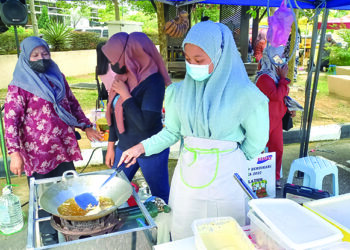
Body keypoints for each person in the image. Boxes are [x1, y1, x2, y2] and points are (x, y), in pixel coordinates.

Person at [117, 21, 269, 240]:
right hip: (188, 176)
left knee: (226, 236)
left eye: (199, 60)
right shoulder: (178, 93)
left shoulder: (246, 95)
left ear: (220, 55)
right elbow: (172, 132)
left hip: (228, 178)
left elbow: (256, 141)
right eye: (188, 60)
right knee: (185, 231)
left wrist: (232, 157)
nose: (192, 66)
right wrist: (141, 147)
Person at [4, 36, 103, 182]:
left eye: (45, 54)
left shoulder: (57, 77)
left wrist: (86, 126)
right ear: (25, 57)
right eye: (35, 55)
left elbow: (72, 104)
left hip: (63, 147)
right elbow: (11, 122)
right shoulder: (19, 86)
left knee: (69, 189)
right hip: (38, 153)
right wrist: (14, 154)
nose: (41, 58)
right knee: (44, 195)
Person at [101, 32, 172, 203]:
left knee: (160, 197)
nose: (112, 65)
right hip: (124, 147)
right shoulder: (122, 75)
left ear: (129, 55)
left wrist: (126, 96)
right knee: (112, 193)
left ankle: (165, 229)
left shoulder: (153, 81)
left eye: (113, 60)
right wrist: (111, 146)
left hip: (150, 149)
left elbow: (145, 125)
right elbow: (113, 114)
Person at [255, 48, 293, 189]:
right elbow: (276, 95)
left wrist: (289, 107)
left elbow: (281, 97)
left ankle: (274, 178)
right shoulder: (264, 77)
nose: (281, 60)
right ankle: (258, 178)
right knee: (258, 149)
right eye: (278, 57)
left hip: (276, 119)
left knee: (277, 149)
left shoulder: (276, 77)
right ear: (270, 58)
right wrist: (283, 79)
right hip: (264, 120)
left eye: (282, 57)